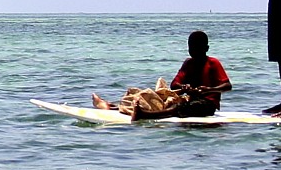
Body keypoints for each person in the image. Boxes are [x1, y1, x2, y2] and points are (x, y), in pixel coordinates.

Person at [91, 30, 233, 120]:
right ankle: (111, 106)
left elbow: (227, 86)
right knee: (155, 101)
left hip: (207, 105)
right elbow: (174, 85)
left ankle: (145, 115)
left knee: (179, 109)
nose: (194, 52)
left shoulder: (213, 63)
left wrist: (209, 90)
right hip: (188, 99)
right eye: (191, 49)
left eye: (198, 49)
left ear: (206, 49)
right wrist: (184, 87)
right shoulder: (188, 63)